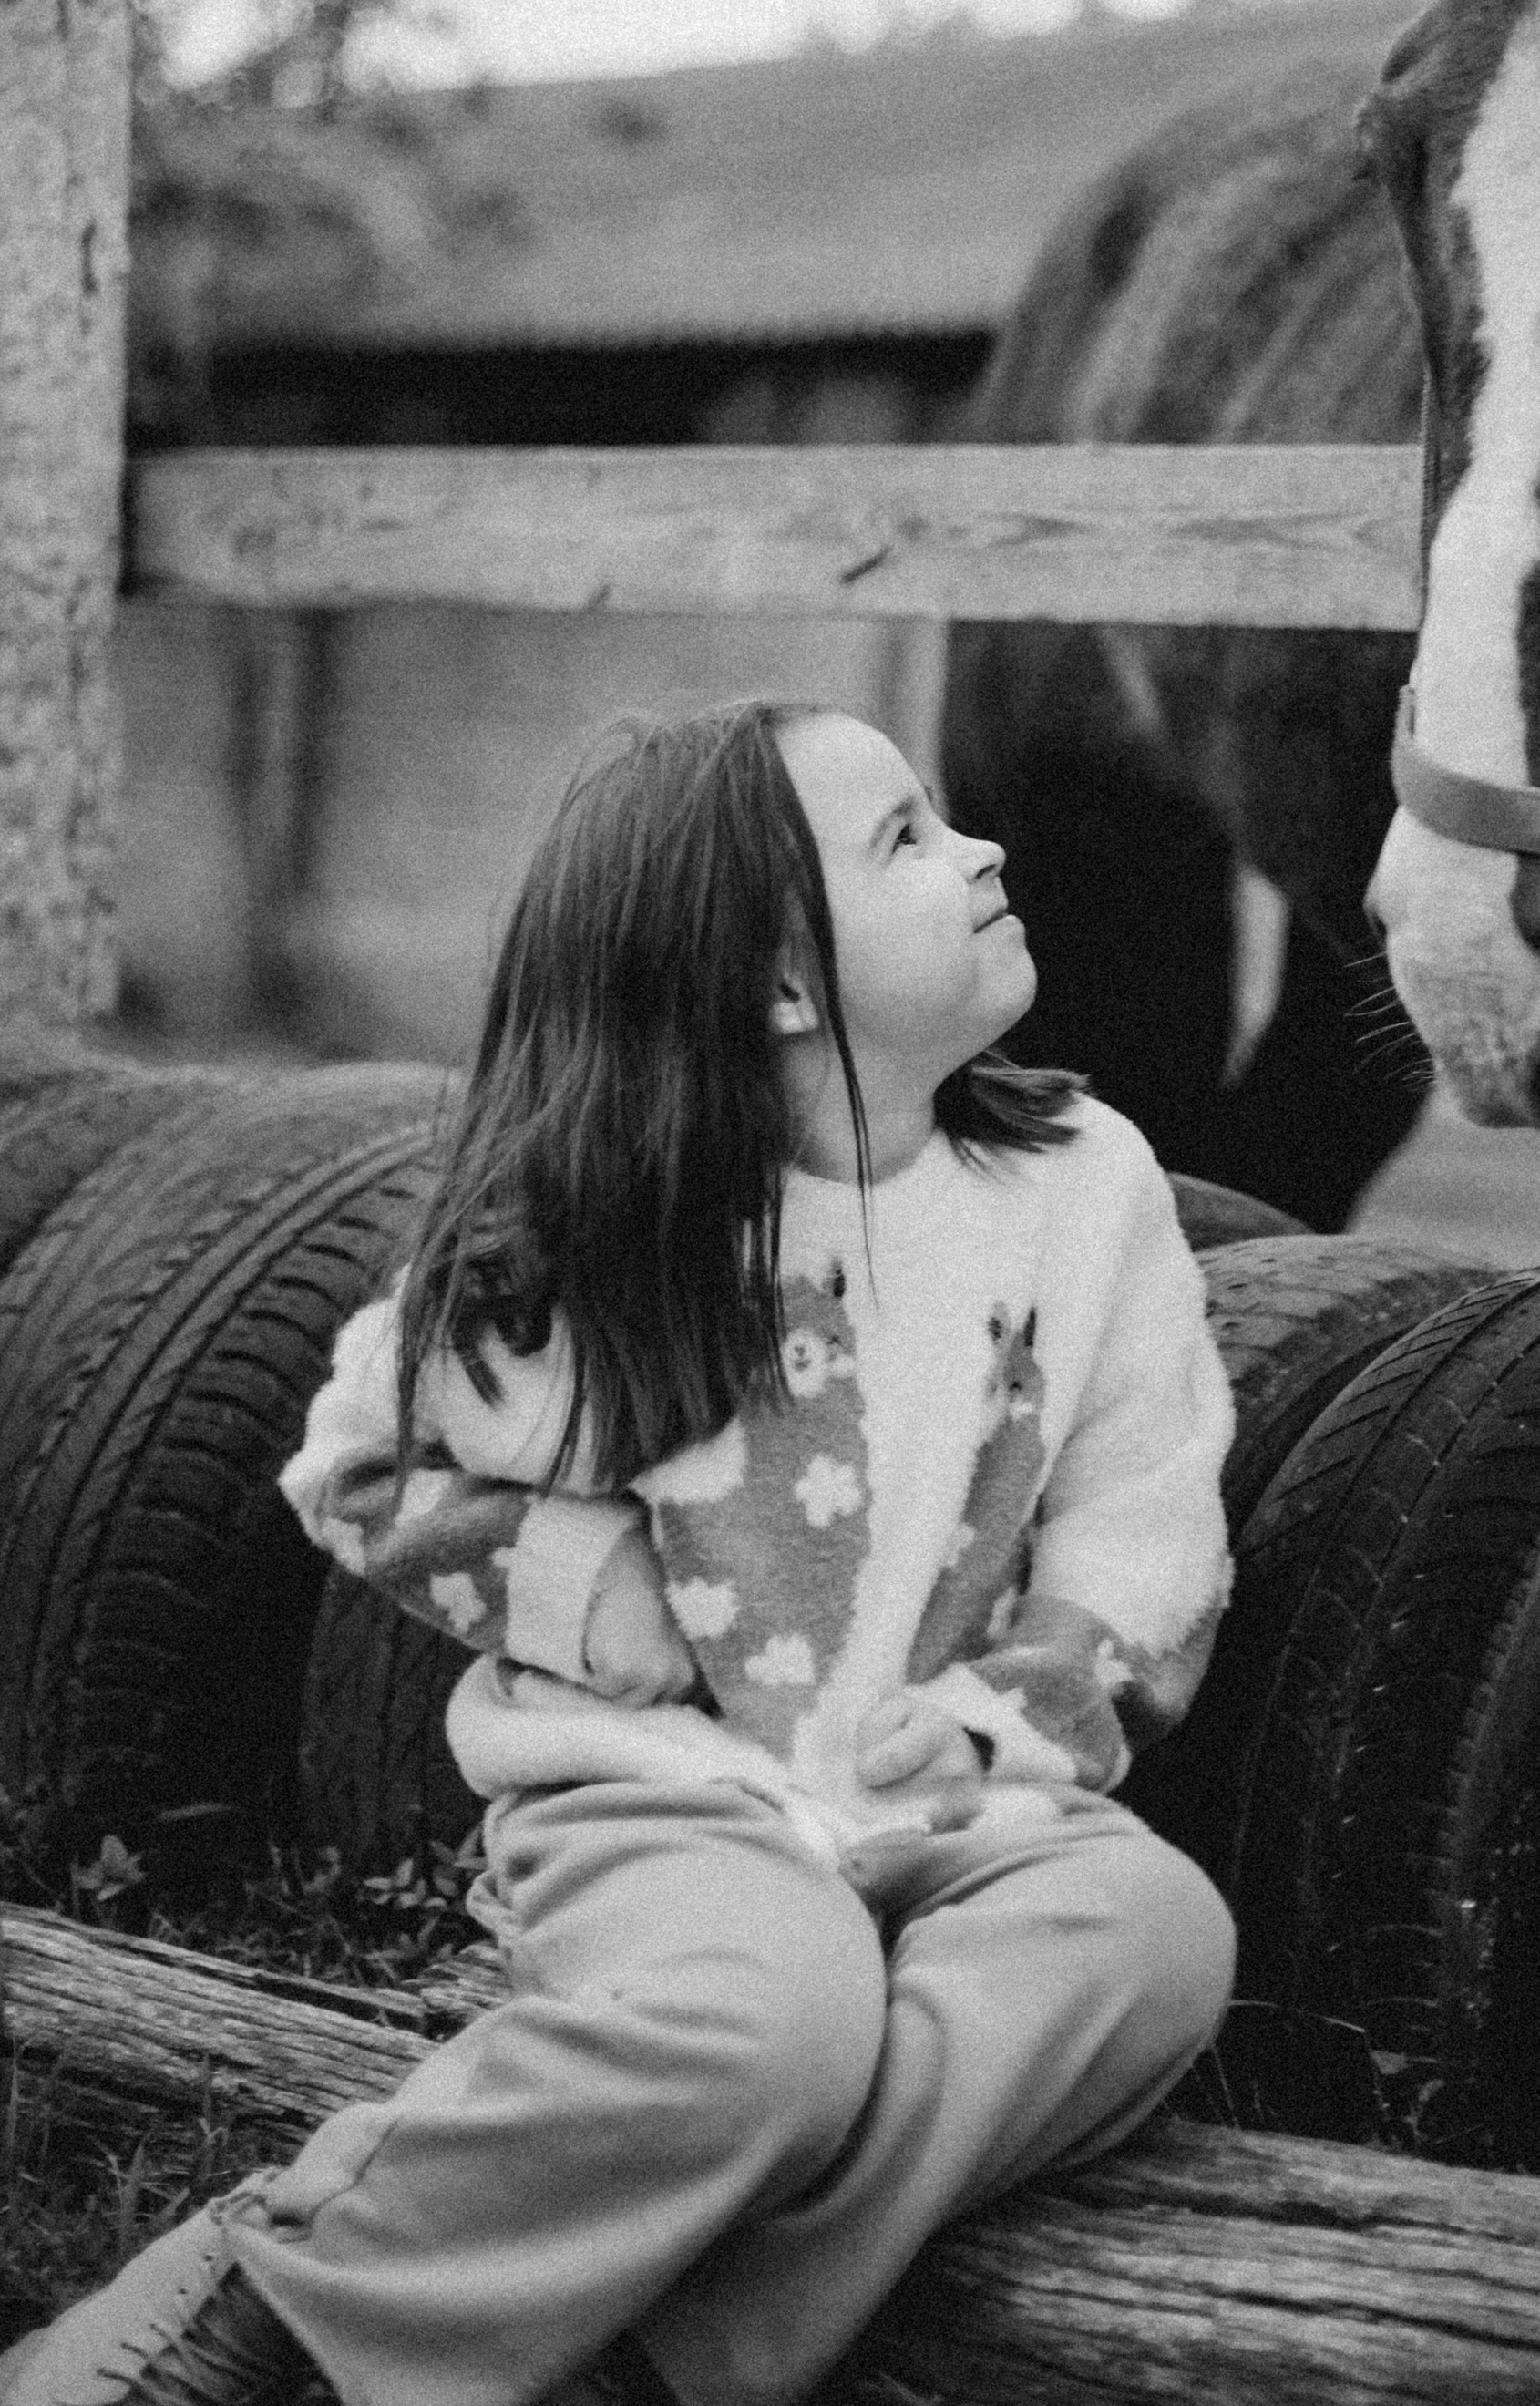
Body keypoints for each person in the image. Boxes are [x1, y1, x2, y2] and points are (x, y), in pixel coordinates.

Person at [6, 700, 1238, 2406]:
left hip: (961, 1803)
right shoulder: (616, 1228)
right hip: (662, 1796)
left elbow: (1144, 1503)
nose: (982, 854)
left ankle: (649, 2363)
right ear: (783, 993)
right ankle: (272, 2318)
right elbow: (360, 1464)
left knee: (1152, 1931)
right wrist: (599, 1591)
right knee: (777, 2024)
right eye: (905, 840)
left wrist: (1006, 1714)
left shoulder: (1086, 1187)